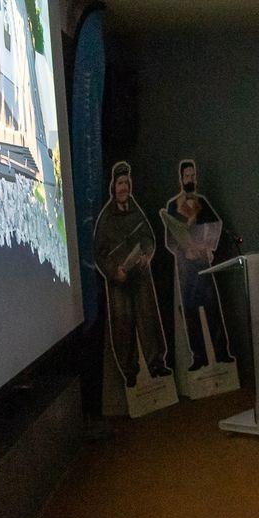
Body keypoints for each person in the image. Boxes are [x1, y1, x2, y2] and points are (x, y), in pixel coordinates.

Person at [94, 162, 171, 386]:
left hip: (140, 275)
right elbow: (100, 254)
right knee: (123, 324)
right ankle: (129, 371)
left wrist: (146, 255)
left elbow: (148, 238)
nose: (123, 188)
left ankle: (156, 363)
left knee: (148, 317)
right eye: (119, 183)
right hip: (119, 280)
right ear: (113, 186)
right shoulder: (106, 219)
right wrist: (113, 271)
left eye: (126, 184)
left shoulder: (137, 211)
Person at [160, 160, 234, 370]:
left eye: (193, 176)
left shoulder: (202, 203)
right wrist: (184, 249)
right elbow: (170, 239)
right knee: (190, 312)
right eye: (187, 176)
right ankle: (199, 356)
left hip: (203, 261)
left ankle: (221, 352)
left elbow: (215, 226)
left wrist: (206, 246)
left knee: (212, 307)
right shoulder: (174, 205)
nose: (190, 180)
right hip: (185, 266)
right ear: (181, 178)